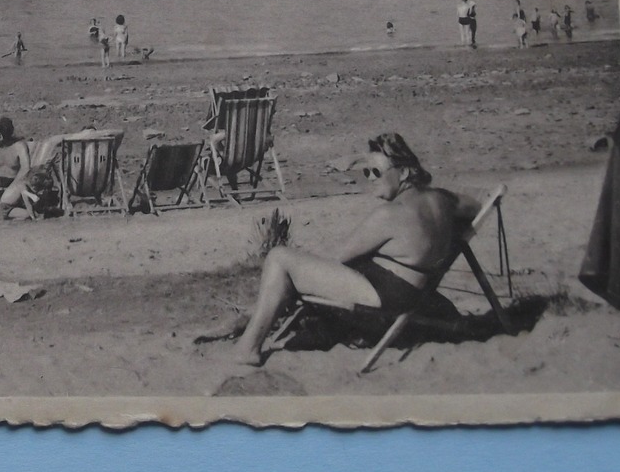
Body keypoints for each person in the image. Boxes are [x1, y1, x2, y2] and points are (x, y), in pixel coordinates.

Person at [200, 133, 477, 368]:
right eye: (366, 172)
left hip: (387, 296)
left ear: (404, 172)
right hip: (417, 291)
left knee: (279, 258)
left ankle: (247, 348)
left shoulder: (391, 215)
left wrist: (304, 270)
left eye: (377, 172)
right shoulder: (443, 199)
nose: (370, 178)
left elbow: (337, 258)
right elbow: (476, 207)